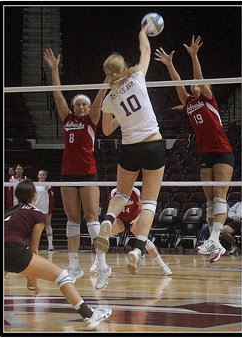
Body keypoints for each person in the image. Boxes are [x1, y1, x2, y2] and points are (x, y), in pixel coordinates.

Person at [154, 35, 234, 263]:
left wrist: (194, 55)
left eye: (197, 84)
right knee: (209, 200)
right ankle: (215, 243)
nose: (194, 84)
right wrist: (170, 64)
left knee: (219, 196)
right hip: (205, 153)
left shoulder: (209, 99)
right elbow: (178, 83)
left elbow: (198, 76)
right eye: (192, 85)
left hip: (222, 151)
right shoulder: (188, 102)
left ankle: (215, 238)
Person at [95, 25, 166, 276]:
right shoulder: (136, 78)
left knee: (122, 195)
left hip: (129, 147)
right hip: (153, 142)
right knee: (149, 202)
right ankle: (137, 250)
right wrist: (142, 35)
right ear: (123, 67)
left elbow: (105, 131)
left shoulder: (109, 99)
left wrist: (119, 116)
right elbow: (145, 51)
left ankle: (107, 221)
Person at [4, 179, 112, 330]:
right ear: (35, 195)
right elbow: (33, 250)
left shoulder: (8, 212)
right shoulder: (37, 215)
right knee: (62, 276)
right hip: (15, 253)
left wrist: (28, 277)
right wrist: (33, 282)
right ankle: (89, 315)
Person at [43, 48, 110, 289]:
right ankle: (74, 265)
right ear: (73, 108)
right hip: (67, 174)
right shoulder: (68, 119)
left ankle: (102, 266)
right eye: (78, 104)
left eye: (85, 104)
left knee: (92, 218)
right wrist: (53, 70)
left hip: (88, 172)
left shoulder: (91, 119)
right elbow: (57, 94)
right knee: (72, 219)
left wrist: (107, 78)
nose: (81, 106)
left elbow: (100, 98)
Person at [106, 187, 172, 276]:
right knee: (106, 233)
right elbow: (112, 209)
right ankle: (98, 264)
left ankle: (163, 266)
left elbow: (143, 210)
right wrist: (113, 221)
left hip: (134, 219)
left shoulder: (136, 192)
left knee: (144, 240)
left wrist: (136, 220)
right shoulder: (114, 192)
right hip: (120, 220)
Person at [32, 170, 55, 251]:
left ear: (45, 176)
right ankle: (34, 246)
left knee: (48, 225)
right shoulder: (34, 185)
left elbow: (52, 198)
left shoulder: (48, 185)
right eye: (40, 174)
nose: (41, 176)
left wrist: (50, 209)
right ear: (38, 176)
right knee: (35, 227)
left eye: (43, 175)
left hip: (45, 209)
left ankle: (50, 245)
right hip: (36, 209)